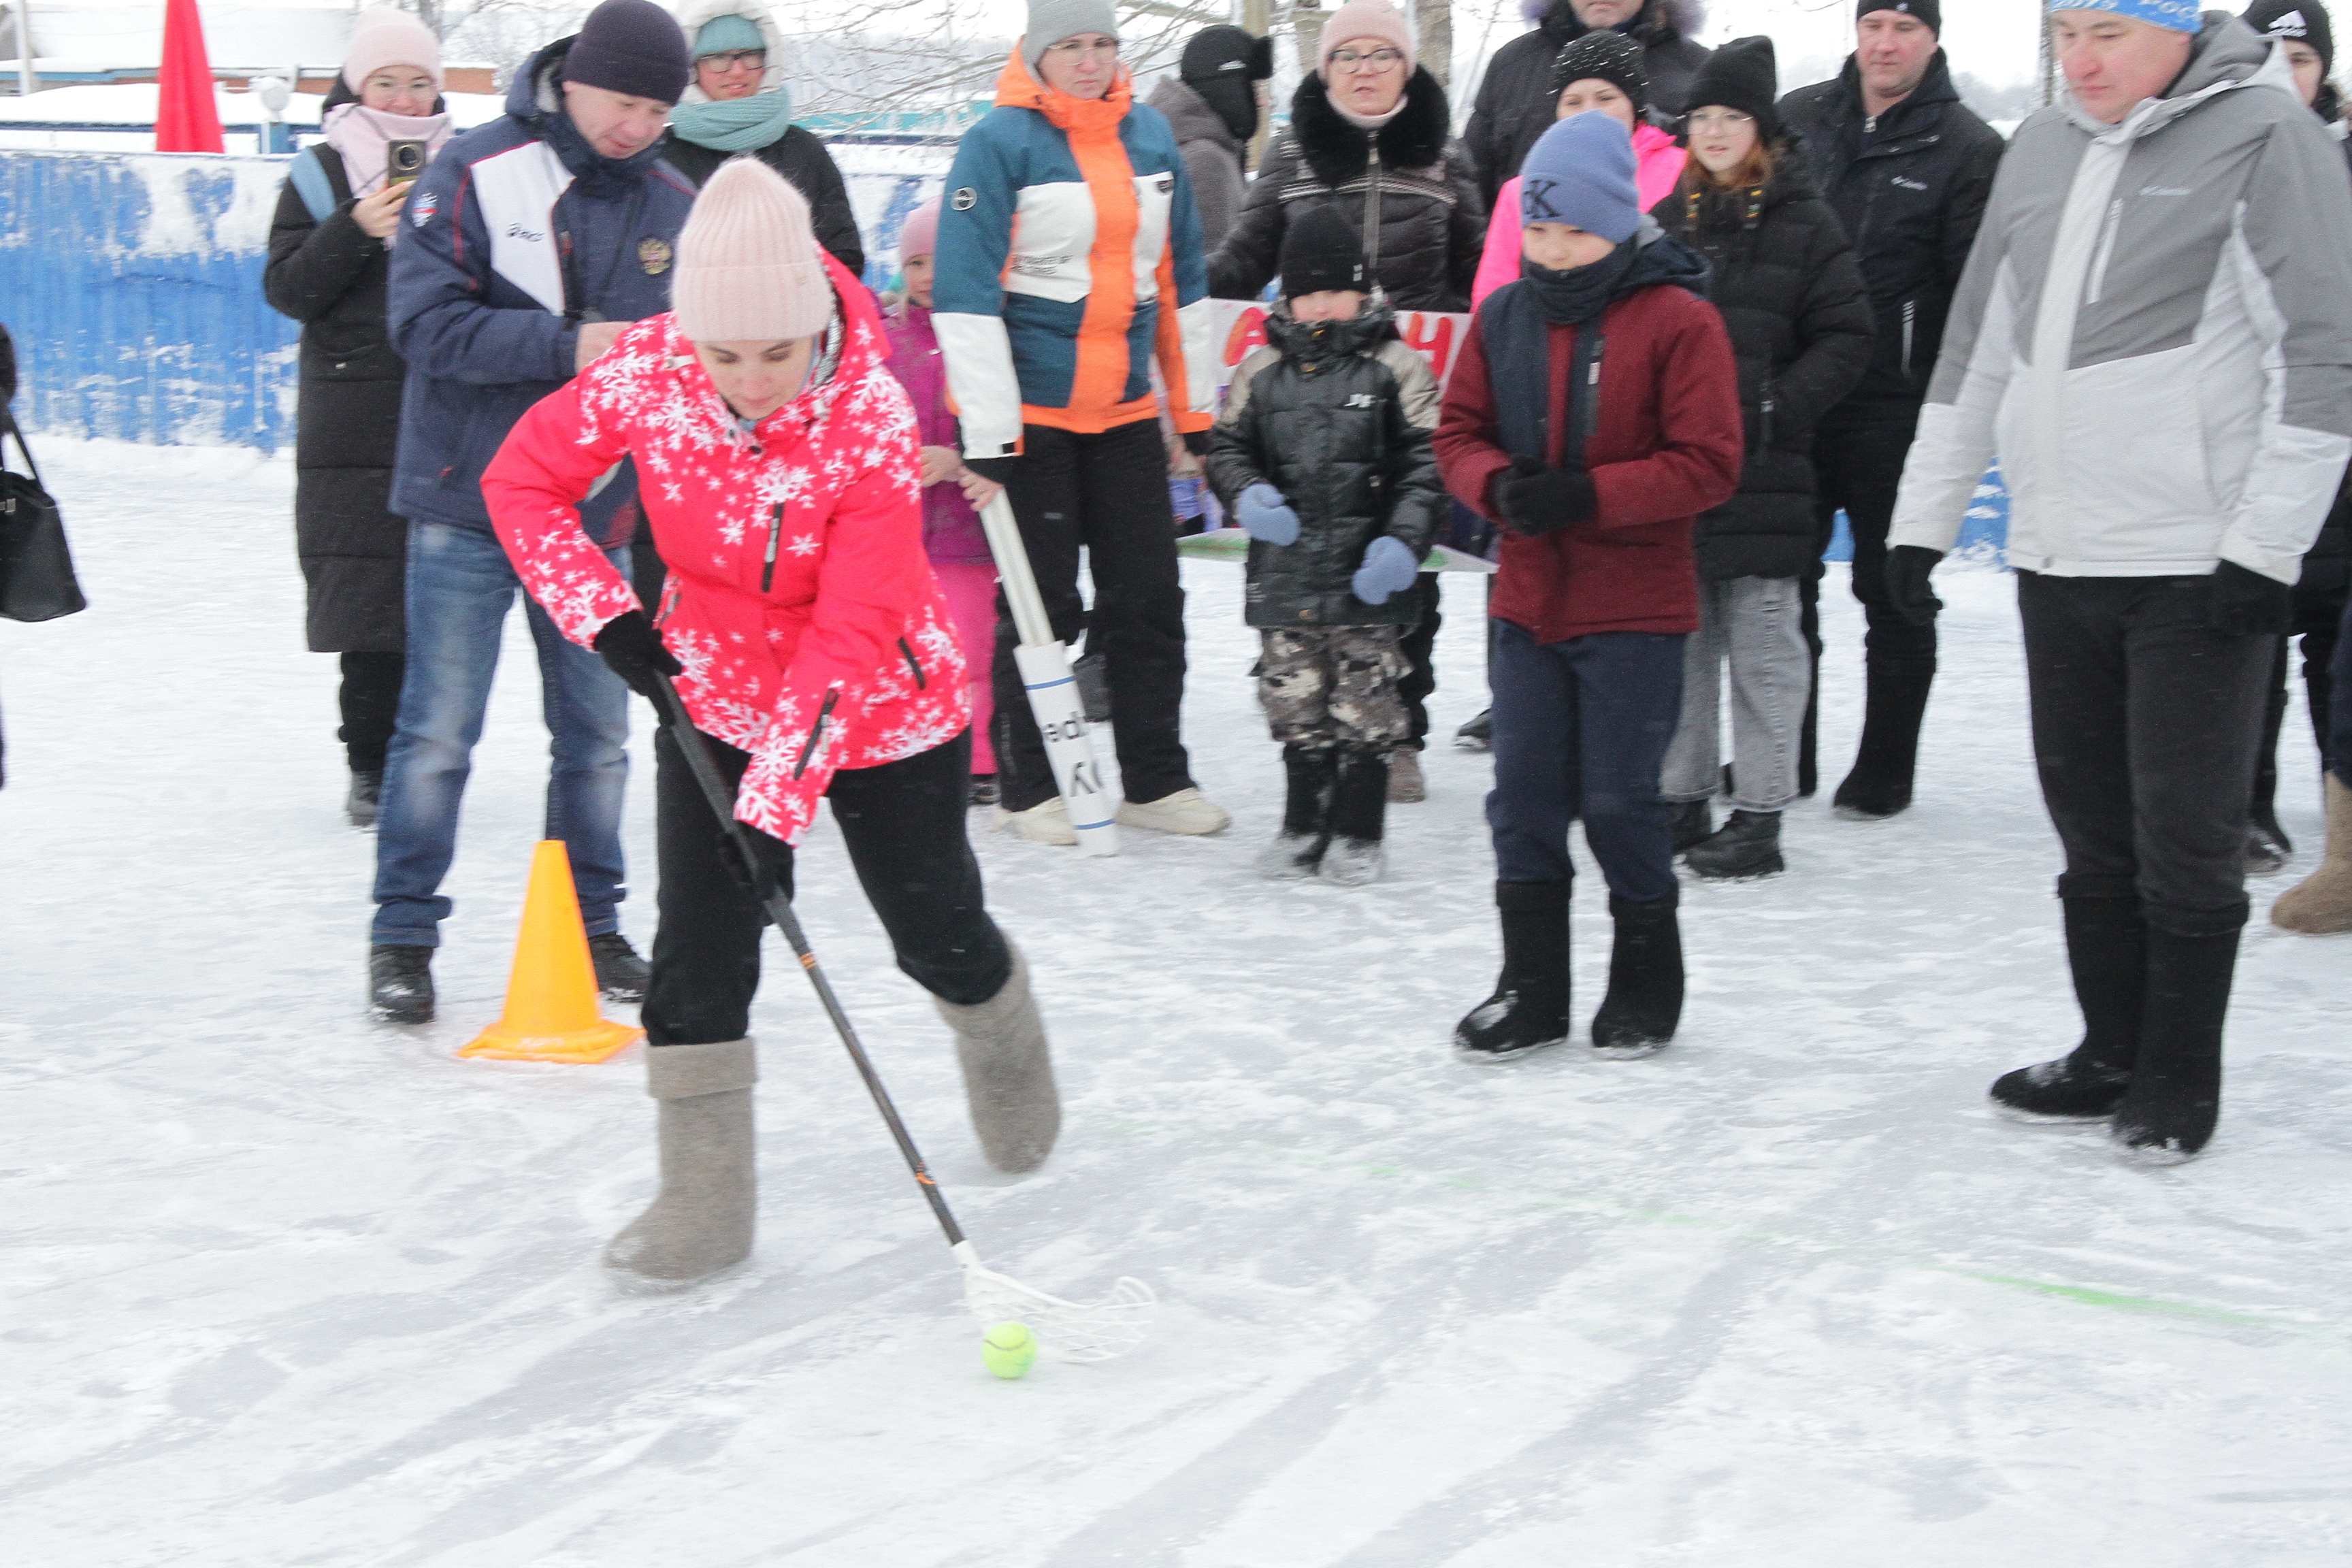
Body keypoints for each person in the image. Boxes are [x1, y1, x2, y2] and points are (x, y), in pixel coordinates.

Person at [483, 159, 1057, 1286]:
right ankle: (705, 1195)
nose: (750, 379)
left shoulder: (871, 424)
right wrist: (607, 617)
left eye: (776, 352)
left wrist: (772, 810)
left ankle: (999, 1024)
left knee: (928, 925)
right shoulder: (648, 371)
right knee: (699, 949)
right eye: (724, 353)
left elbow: (849, 636)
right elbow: (522, 483)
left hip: (883, 704)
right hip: (712, 686)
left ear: (812, 326)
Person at [1889, 5, 2352, 1162]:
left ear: (2176, 28)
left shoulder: (2262, 131)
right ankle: (2109, 1049)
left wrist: (2266, 545)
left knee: (2184, 832)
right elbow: (1979, 344)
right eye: (2066, 35)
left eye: (2109, 32)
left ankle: (2178, 1075)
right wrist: (1920, 523)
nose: (2081, 61)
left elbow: (2321, 349)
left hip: (2198, 562)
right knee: (2091, 827)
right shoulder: (2043, 146)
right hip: (2059, 551)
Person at [369, 0, 698, 1023]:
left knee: (597, 739)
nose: (637, 124)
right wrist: (570, 347)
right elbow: (420, 325)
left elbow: (694, 358)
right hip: (464, 502)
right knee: (436, 733)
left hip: (595, 520)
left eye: (657, 108)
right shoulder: (472, 168)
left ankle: (594, 928)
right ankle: (403, 936)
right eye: (623, 100)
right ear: (573, 78)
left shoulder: (677, 204)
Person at [1433, 113, 1742, 1063]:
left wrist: (1590, 495)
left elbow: (1709, 463)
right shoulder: (1505, 316)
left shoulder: (1680, 320)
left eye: (1574, 232)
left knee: (1618, 803)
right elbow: (1457, 433)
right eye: (1537, 230)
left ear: (1619, 221)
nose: (1554, 252)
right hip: (1528, 601)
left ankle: (1647, 979)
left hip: (1634, 606)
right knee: (1522, 800)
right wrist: (1498, 486)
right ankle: (1530, 986)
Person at [933, 0, 1229, 845]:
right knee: (1044, 607)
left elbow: (1183, 280)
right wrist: (988, 436)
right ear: (1037, 52)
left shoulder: (1151, 139)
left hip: (1127, 413)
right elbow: (964, 293)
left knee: (1147, 600)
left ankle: (1155, 779)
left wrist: (1195, 409)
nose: (1091, 61)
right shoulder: (997, 145)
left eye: (1104, 44)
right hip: (1031, 420)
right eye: (1072, 46)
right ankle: (1034, 785)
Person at [1210, 0, 1484, 805]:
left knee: (1406, 573)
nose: (1365, 69)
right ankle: (1311, 736)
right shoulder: (1292, 151)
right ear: (1325, 70)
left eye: (1382, 55)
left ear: (1408, 66)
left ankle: (1400, 733)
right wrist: (1180, 296)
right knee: (1306, 573)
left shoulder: (1446, 155)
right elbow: (1244, 257)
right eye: (1348, 56)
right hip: (1307, 397)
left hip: (1406, 394)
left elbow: (1478, 273)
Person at [1653, 37, 1874, 880]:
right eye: (1701, 116)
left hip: (1769, 474)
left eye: (1730, 117)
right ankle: (1680, 797)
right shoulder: (1668, 222)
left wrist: (1779, 407)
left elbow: (1849, 337)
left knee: (1764, 646)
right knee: (1683, 643)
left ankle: (1760, 813)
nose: (1713, 131)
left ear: (1761, 128)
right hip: (1680, 475)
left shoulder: (1807, 223)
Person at [1777, 0, 2004, 819]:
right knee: (1780, 588)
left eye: (1905, 28)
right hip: (1796, 395)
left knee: (1894, 590)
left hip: (1893, 406)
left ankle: (1884, 771)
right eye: (1875, 24)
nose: (1885, 43)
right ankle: (1780, 758)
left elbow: (1976, 294)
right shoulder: (1797, 119)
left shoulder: (1970, 147)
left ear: (1933, 39)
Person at [1205, 206, 1446, 886]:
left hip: (1368, 581)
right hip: (1285, 579)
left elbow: (1427, 465)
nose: (1322, 305)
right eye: (1308, 292)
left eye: (1335, 290)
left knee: (1365, 706)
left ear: (1362, 291)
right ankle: (1302, 826)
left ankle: (1359, 833)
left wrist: (1402, 543)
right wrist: (1246, 493)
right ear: (1287, 296)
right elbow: (1226, 447)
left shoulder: (1396, 366)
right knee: (1294, 703)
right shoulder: (1261, 370)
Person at [262, 7, 453, 830]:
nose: (406, 99)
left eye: (420, 84)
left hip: (444, 406)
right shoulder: (318, 172)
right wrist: (354, 228)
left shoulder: (469, 167)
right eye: (388, 82)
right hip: (352, 416)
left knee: (443, 599)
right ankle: (370, 763)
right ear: (358, 86)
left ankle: (429, 756)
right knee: (369, 603)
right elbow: (288, 290)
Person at [2242, 0, 2350, 877]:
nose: (2286, 71)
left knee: (2331, 643)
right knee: (2249, 636)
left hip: (2335, 440)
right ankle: (2246, 808)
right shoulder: (2221, 157)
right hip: (2241, 438)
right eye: (2270, 52)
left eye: (2303, 56)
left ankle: (2339, 817)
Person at [883, 197, 1004, 807]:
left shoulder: (987, 332)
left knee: (969, 650)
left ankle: (979, 760)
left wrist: (959, 460)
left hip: (966, 533)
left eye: (942, 259)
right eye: (916, 262)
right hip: (898, 536)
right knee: (903, 655)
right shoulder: (881, 341)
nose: (929, 274)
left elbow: (1007, 419)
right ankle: (910, 753)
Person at [1471, 28, 1690, 308]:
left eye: (1605, 98)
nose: (1589, 111)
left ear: (1634, 106)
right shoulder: (1522, 189)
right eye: (1573, 102)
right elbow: (1493, 295)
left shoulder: (1682, 170)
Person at [658, 0, 864, 276]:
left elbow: (842, 256)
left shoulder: (804, 152)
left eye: (750, 55)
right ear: (691, 68)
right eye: (718, 58)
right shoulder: (660, 155)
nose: (738, 70)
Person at [1464, 0, 1711, 210]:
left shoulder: (1700, 71)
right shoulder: (1514, 64)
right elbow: (1472, 190)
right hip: (1527, 257)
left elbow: (1723, 186)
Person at [1145, 23, 1274, 251]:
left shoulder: (1178, 141)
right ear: (1229, 88)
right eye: (1253, 89)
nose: (1262, 102)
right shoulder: (1206, 160)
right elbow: (1213, 272)